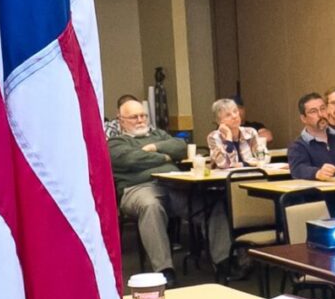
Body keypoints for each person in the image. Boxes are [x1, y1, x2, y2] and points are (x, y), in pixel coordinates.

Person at [108, 95, 235, 282]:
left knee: (212, 204)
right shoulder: (116, 143)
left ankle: (223, 261)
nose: (141, 120)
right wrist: (165, 157)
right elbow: (130, 160)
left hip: (173, 186)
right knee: (151, 207)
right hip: (139, 189)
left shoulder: (158, 135)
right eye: (134, 117)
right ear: (121, 121)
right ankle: (164, 270)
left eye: (143, 116)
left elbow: (181, 147)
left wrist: (152, 147)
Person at [289, 92, 335, 181]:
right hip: (322, 193)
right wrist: (317, 173)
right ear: (304, 118)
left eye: (323, 109)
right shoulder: (299, 146)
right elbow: (298, 169)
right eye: (313, 111)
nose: (320, 114)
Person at [206, 98, 265, 170]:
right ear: (219, 121)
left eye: (235, 111)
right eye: (228, 115)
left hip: (251, 175)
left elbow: (263, 158)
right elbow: (223, 164)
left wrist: (243, 164)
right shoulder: (214, 137)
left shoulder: (250, 132)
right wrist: (228, 138)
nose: (234, 116)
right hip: (225, 178)